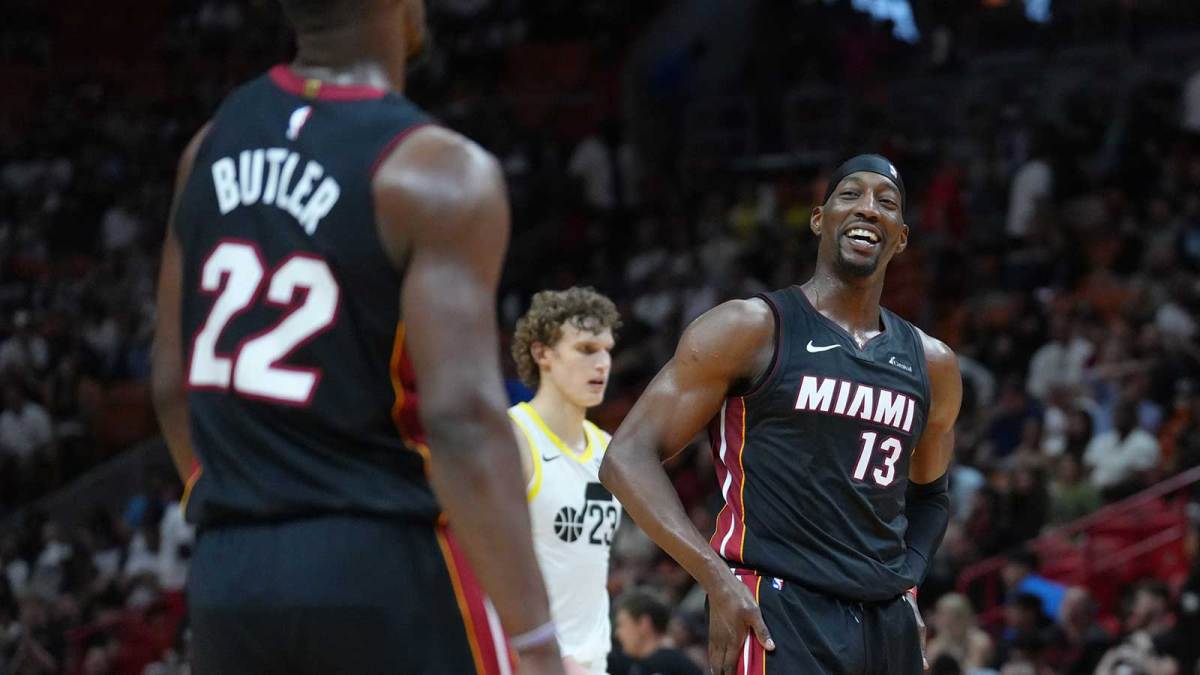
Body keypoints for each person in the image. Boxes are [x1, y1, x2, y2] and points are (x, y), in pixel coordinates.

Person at [150, 1, 565, 673]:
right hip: (382, 564)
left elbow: (171, 383)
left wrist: (244, 504)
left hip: (230, 574)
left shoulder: (206, 147)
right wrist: (537, 642)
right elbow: (460, 419)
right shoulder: (436, 172)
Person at [601, 154, 962, 674]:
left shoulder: (933, 363)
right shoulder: (750, 328)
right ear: (819, 219)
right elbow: (626, 457)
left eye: (886, 202)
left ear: (901, 237)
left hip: (886, 624)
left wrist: (908, 580)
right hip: (779, 609)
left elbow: (932, 496)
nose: (868, 209)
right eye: (851, 195)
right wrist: (715, 579)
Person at [508, 287, 622, 675]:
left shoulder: (609, 450)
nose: (603, 363)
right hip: (526, 662)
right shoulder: (513, 438)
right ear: (543, 354)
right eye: (587, 349)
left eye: (607, 349)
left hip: (592, 662)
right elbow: (478, 561)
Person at [612, 590, 703, 675]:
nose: (617, 633)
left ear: (644, 624)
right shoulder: (640, 664)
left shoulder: (667, 666)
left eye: (622, 624)